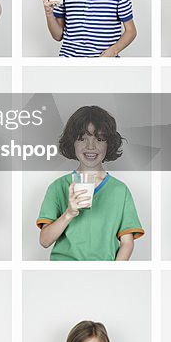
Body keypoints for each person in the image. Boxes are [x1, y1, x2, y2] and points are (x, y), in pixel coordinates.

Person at [36, 105, 143, 261]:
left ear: (109, 143)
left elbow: (127, 243)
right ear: (72, 142)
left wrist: (114, 273)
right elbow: (44, 241)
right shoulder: (57, 187)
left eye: (99, 139)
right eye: (82, 138)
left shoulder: (120, 190)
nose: (90, 146)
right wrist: (69, 213)